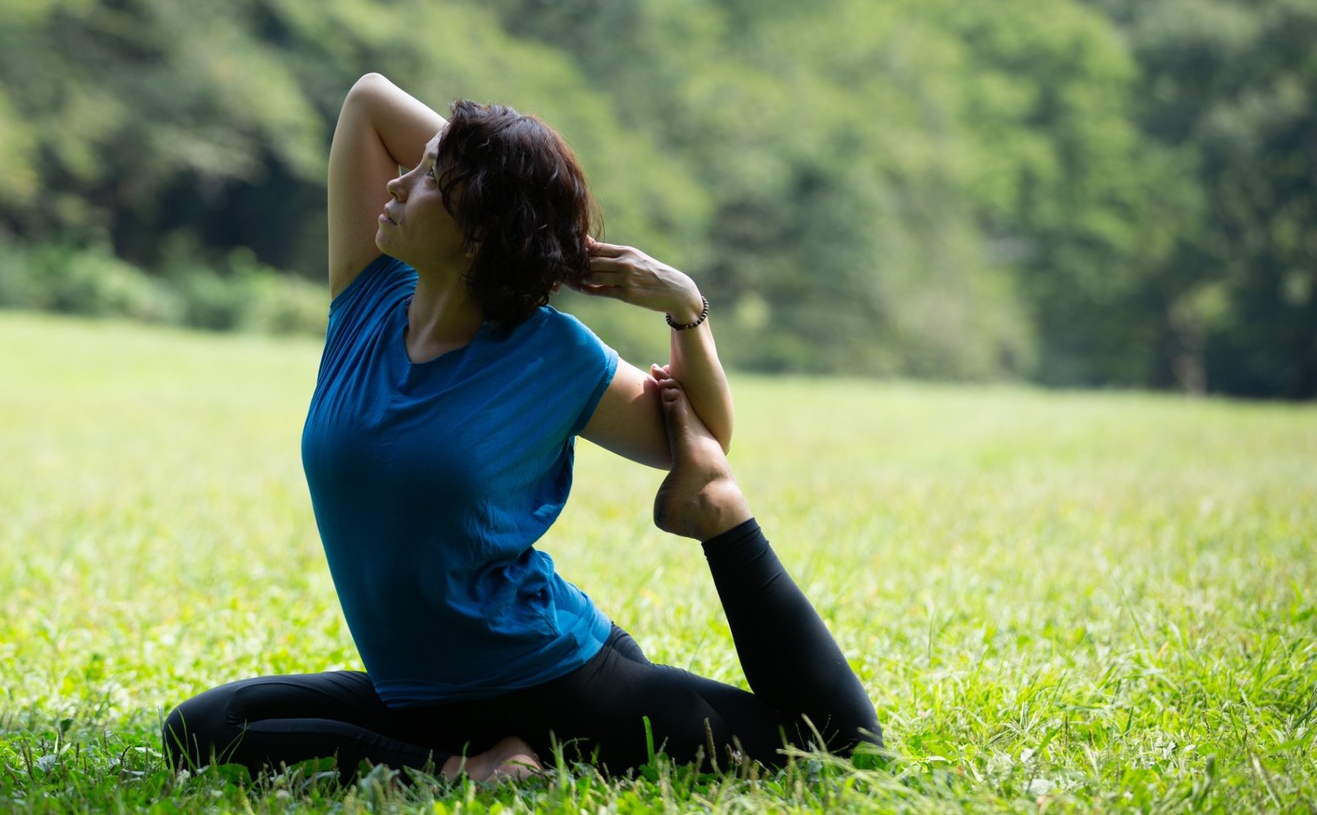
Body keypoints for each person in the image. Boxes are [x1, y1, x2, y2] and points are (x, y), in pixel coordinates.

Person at [163, 73, 880, 782]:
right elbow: (368, 100)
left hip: (549, 681)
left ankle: (721, 517)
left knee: (838, 747)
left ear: (478, 230)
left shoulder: (552, 356)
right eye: (413, 169)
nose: (394, 186)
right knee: (201, 730)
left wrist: (686, 309)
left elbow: (697, 438)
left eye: (426, 181)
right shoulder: (366, 295)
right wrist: (483, 164)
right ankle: (461, 768)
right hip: (416, 696)